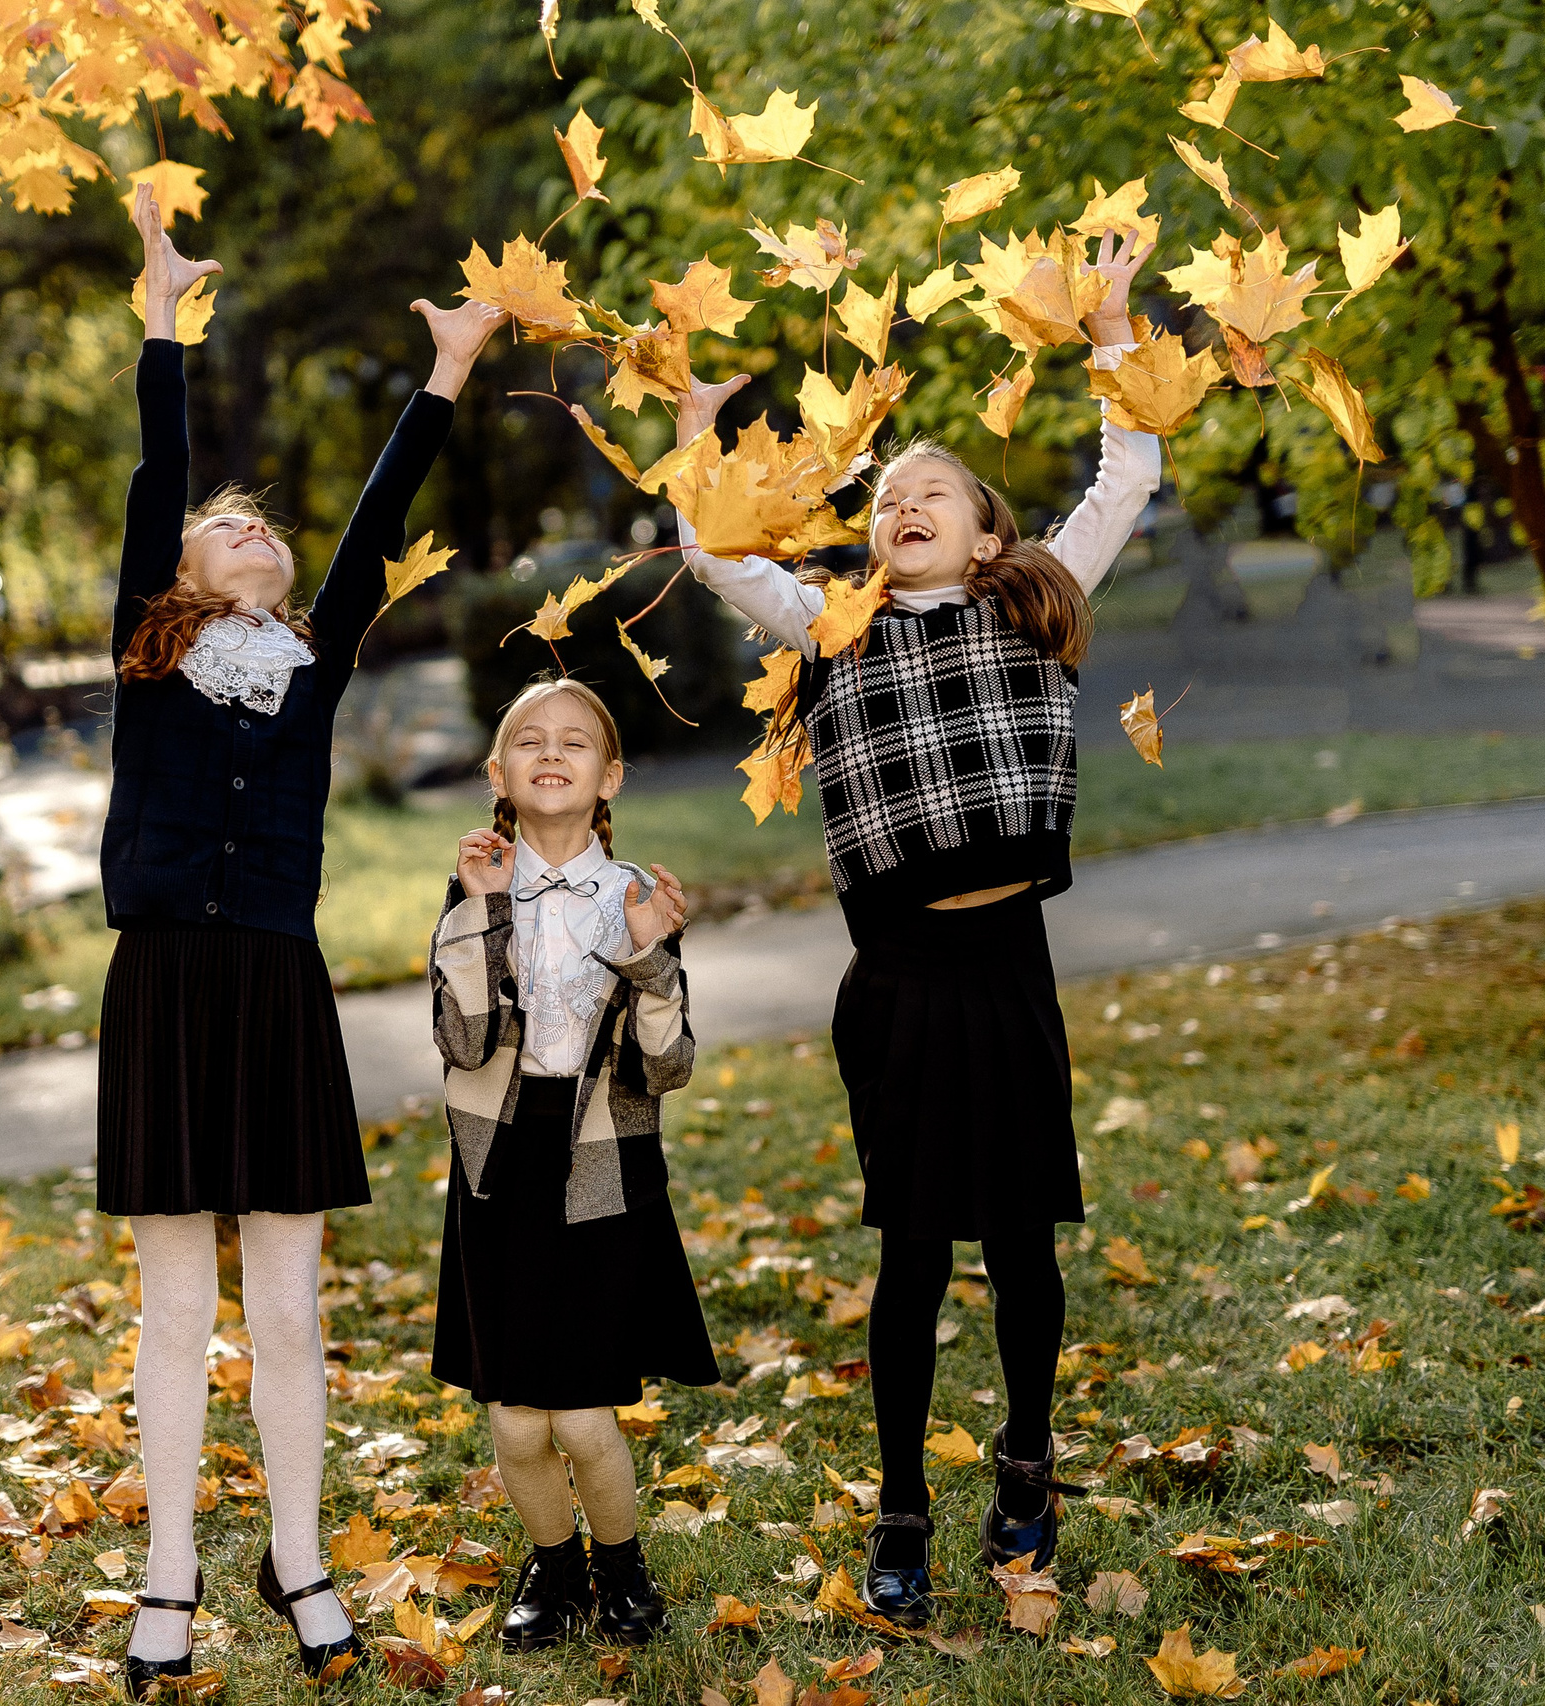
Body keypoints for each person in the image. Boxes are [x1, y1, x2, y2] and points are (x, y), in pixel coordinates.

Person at [668, 231, 1162, 1620]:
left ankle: (1024, 1459)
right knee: (907, 1253)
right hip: (897, 975)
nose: (907, 502)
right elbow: (710, 553)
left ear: (990, 533)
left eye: (935, 492)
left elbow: (1128, 474)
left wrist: (1112, 333)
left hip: (1010, 968)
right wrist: (695, 436)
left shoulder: (1039, 604)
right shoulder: (831, 622)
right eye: (890, 494)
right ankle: (900, 1503)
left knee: (1021, 1246)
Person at [98, 181, 507, 1693]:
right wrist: (160, 318)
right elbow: (161, 469)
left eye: (262, 533)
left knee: (285, 1303)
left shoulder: (314, 665)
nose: (251, 536)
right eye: (226, 535)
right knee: (169, 1308)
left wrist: (448, 373)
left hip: (276, 986)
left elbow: (377, 521)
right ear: (186, 578)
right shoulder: (150, 661)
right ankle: (167, 1576)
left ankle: (302, 1555)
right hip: (162, 983)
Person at [426, 678, 715, 1650]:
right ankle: (553, 1567)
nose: (553, 752)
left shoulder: (633, 893)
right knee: (515, 1424)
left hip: (602, 1165)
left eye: (576, 742)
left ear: (610, 775)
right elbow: (462, 1042)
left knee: (586, 1418)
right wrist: (480, 914)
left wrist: (651, 958)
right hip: (499, 1170)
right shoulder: (473, 890)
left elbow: (666, 1063)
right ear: (499, 775)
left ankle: (621, 1565)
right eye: (530, 741)